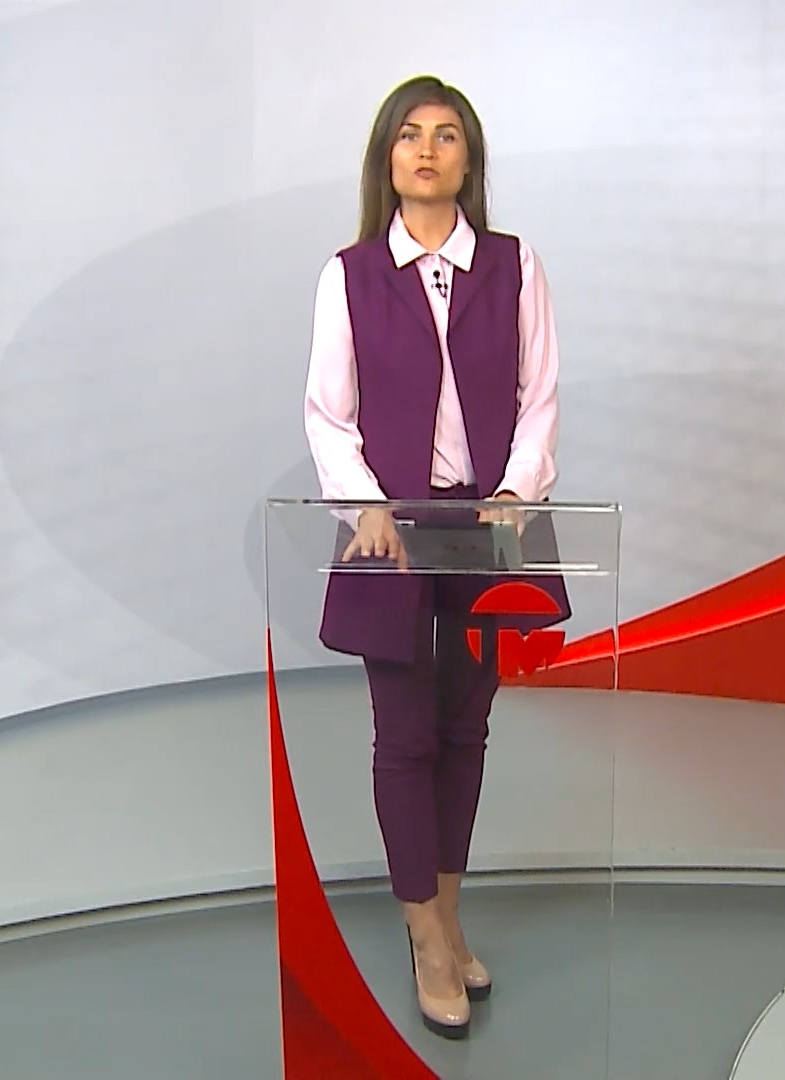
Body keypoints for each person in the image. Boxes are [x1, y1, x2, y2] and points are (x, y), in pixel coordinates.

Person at [302, 74, 562, 1039]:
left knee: (467, 729)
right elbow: (328, 413)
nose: (426, 149)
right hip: (391, 535)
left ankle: (448, 915)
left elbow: (539, 398)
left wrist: (515, 494)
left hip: (490, 530)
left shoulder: (516, 265)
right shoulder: (351, 275)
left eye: (446, 135)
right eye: (409, 134)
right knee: (404, 735)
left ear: (468, 161)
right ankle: (424, 933)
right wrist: (364, 504)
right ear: (388, 157)